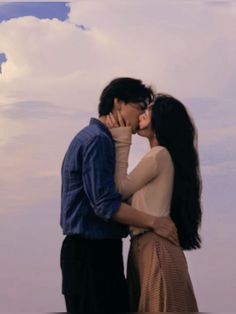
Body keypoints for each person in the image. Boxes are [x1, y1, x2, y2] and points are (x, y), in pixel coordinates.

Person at [60, 79, 178, 313]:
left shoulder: (94, 138)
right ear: (119, 103)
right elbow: (106, 204)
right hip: (92, 255)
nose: (144, 114)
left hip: (92, 254)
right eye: (140, 107)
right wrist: (155, 222)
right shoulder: (98, 140)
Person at [106, 93, 202, 312]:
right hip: (145, 247)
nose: (141, 114)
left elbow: (119, 190)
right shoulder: (159, 157)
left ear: (161, 119)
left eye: (148, 110)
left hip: (154, 247)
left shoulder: (158, 155)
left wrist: (122, 138)